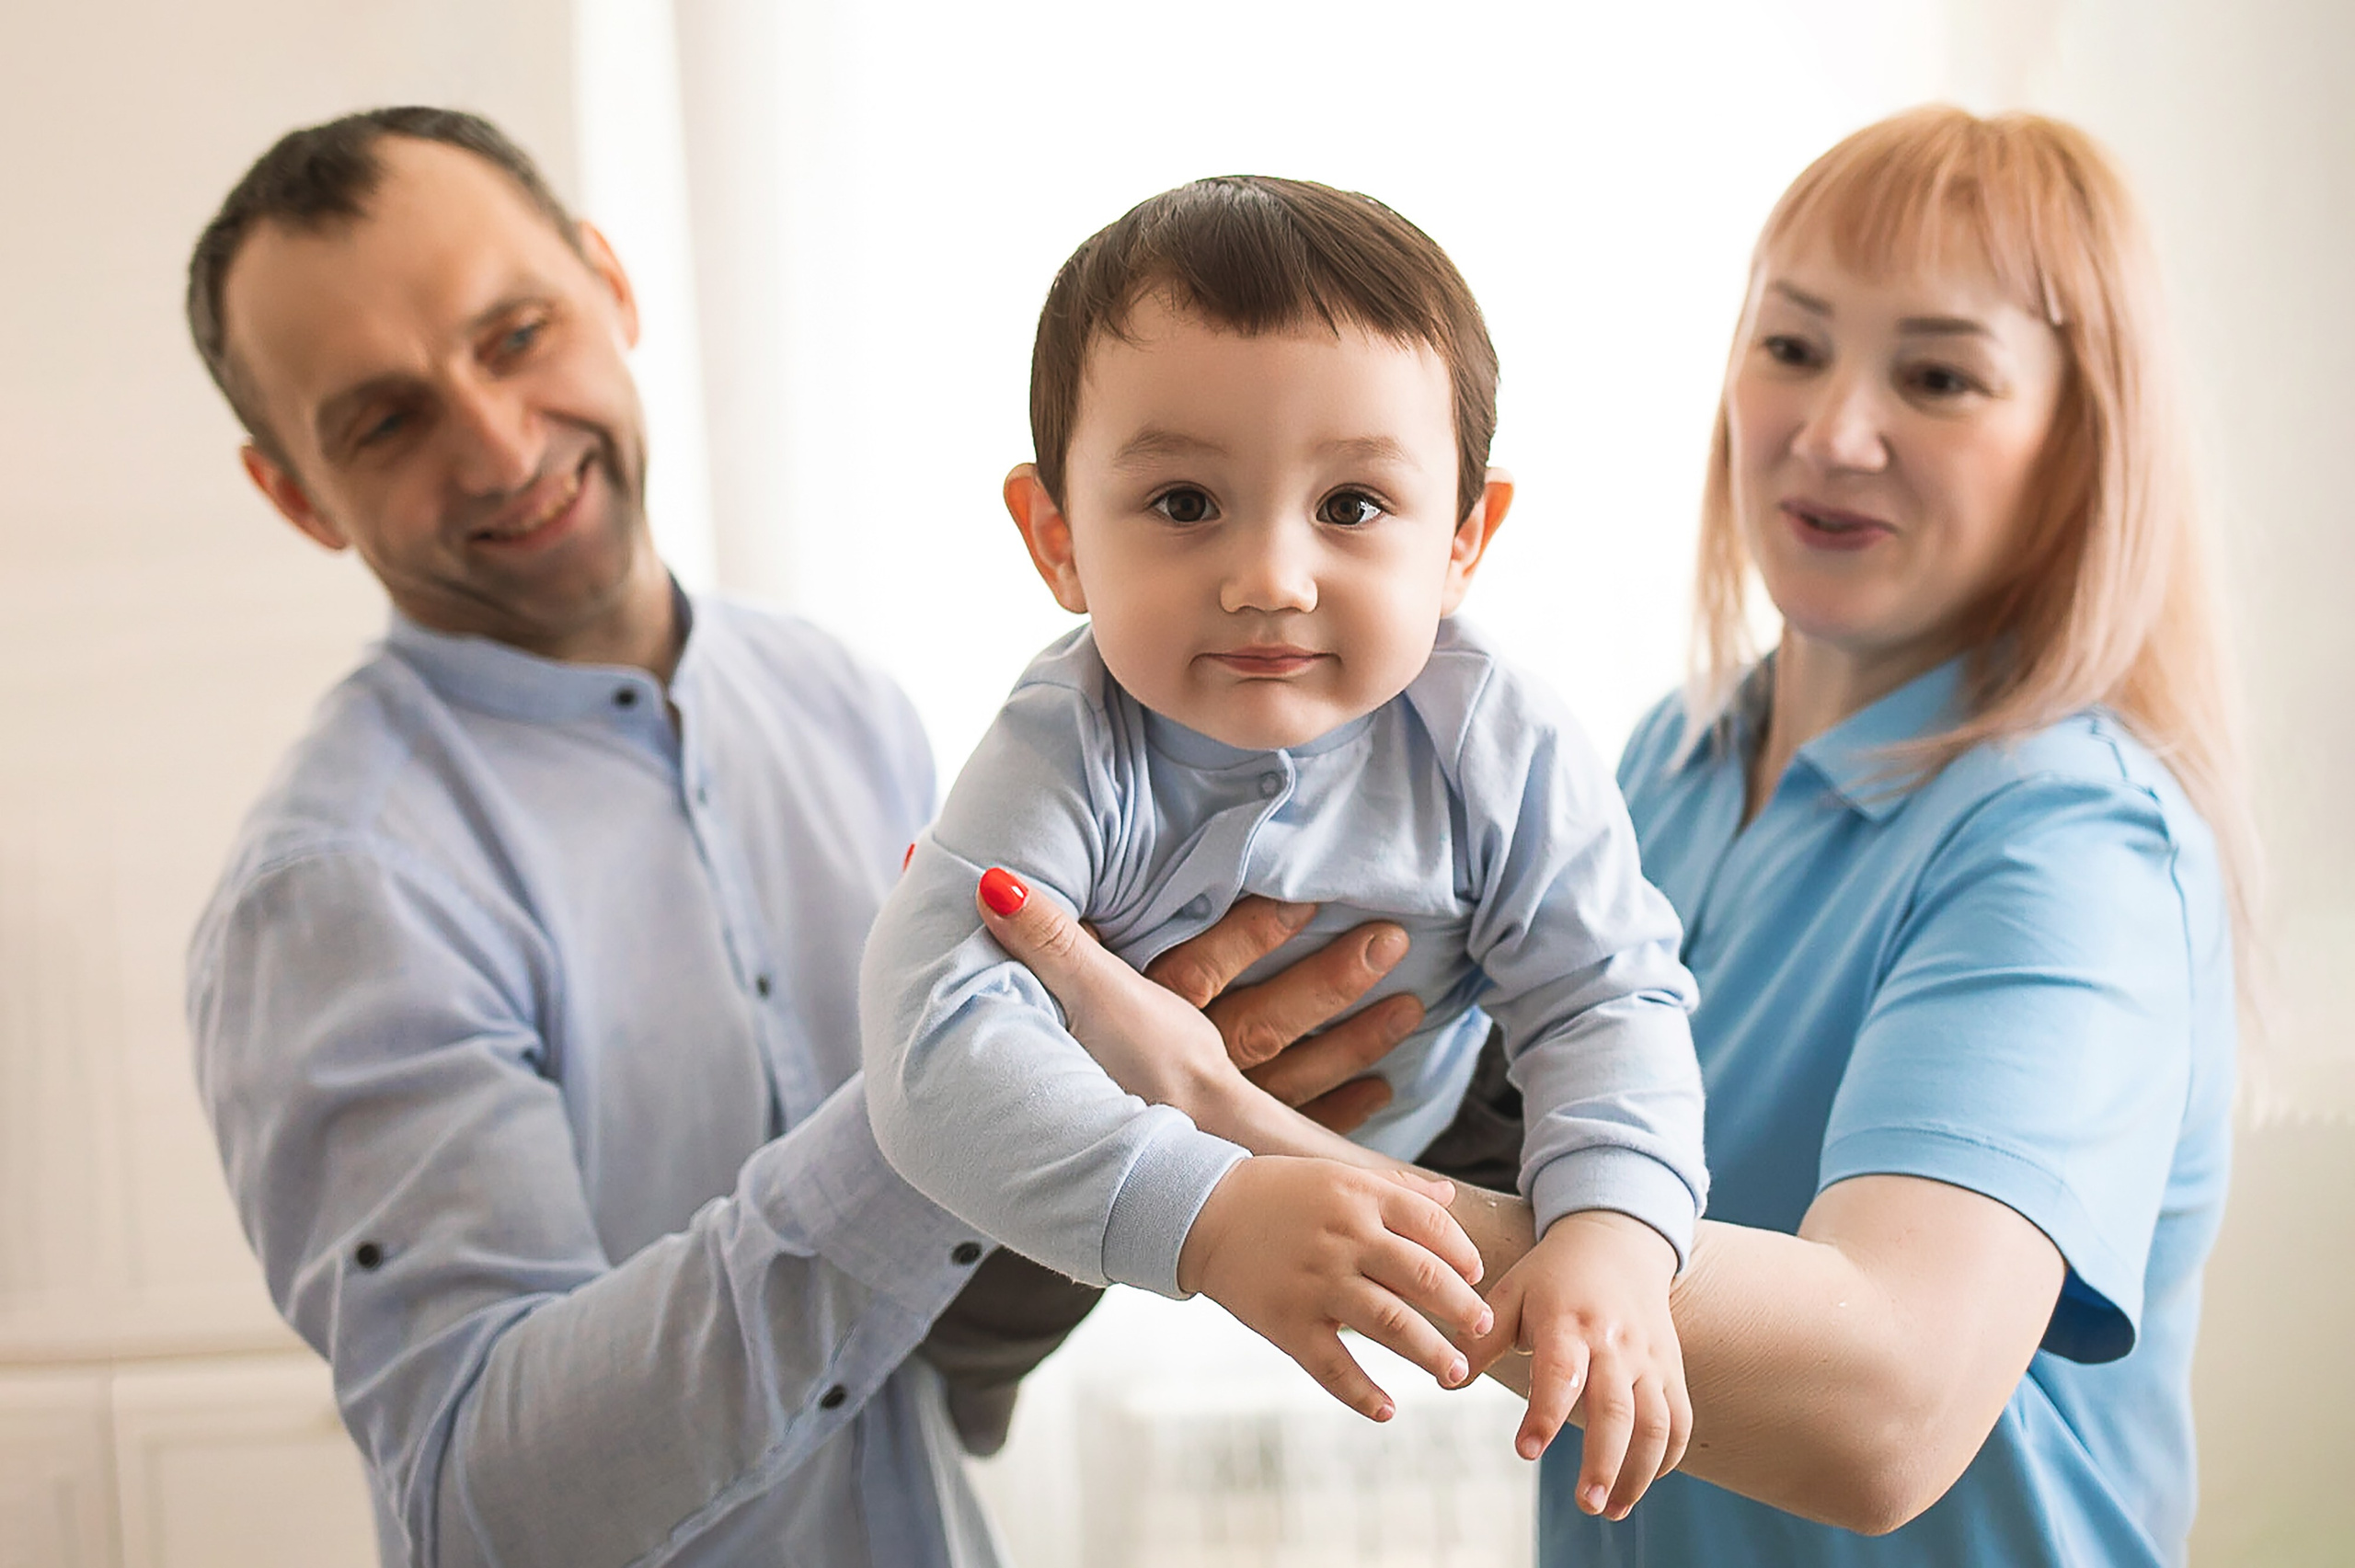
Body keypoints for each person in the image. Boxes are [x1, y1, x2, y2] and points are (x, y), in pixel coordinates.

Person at [973, 106, 2251, 1564]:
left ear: (2080, 443)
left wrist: (1241, 1140)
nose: (1834, 430)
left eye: (1940, 374)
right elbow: (1539, 1159)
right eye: (1792, 345)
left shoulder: (2071, 843)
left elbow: (1888, 1410)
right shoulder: (1672, 759)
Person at [179, 109, 1431, 1568]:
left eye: (516, 335)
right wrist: (962, 1081)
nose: (501, 445)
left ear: (608, 285)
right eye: (385, 419)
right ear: (292, 492)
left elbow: (937, 1354)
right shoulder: (335, 887)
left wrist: (1159, 1118)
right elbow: (485, 1505)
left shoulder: (837, 700)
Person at [860, 176, 1708, 1509]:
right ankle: (958, 1381)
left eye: (1355, 506)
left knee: (1611, 1263)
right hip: (1111, 1111)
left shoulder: (1492, 731)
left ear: (1464, 540)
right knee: (946, 1297)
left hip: (1444, 1090)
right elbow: (931, 1031)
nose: (1272, 575)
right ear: (1057, 538)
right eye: (1186, 502)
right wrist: (1203, 1206)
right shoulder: (1065, 740)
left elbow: (1605, 989)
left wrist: (1612, 1225)